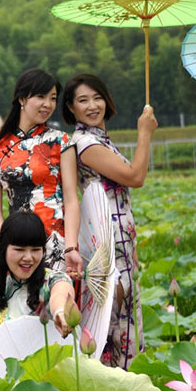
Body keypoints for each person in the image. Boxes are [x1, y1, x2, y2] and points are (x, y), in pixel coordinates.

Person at [63, 73, 158, 369]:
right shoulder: (85, 143)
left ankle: (125, 387)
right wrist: (144, 132)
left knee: (123, 315)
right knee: (113, 323)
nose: (92, 106)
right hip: (107, 243)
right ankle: (116, 388)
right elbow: (135, 177)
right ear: (70, 108)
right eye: (83, 100)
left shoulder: (99, 139)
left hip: (122, 240)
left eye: (97, 97)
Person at [0, 68, 82, 277]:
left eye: (53, 98)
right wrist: (4, 248)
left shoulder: (61, 141)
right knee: (20, 307)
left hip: (57, 244)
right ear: (21, 98)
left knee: (58, 305)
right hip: (17, 247)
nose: (48, 104)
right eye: (40, 96)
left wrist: (71, 247)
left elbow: (71, 200)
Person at [0, 211, 75, 338]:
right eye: (19, 249)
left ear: (43, 251)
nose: (28, 257)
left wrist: (60, 311)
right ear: (3, 250)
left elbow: (61, 291)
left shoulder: (52, 279)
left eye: (35, 250)